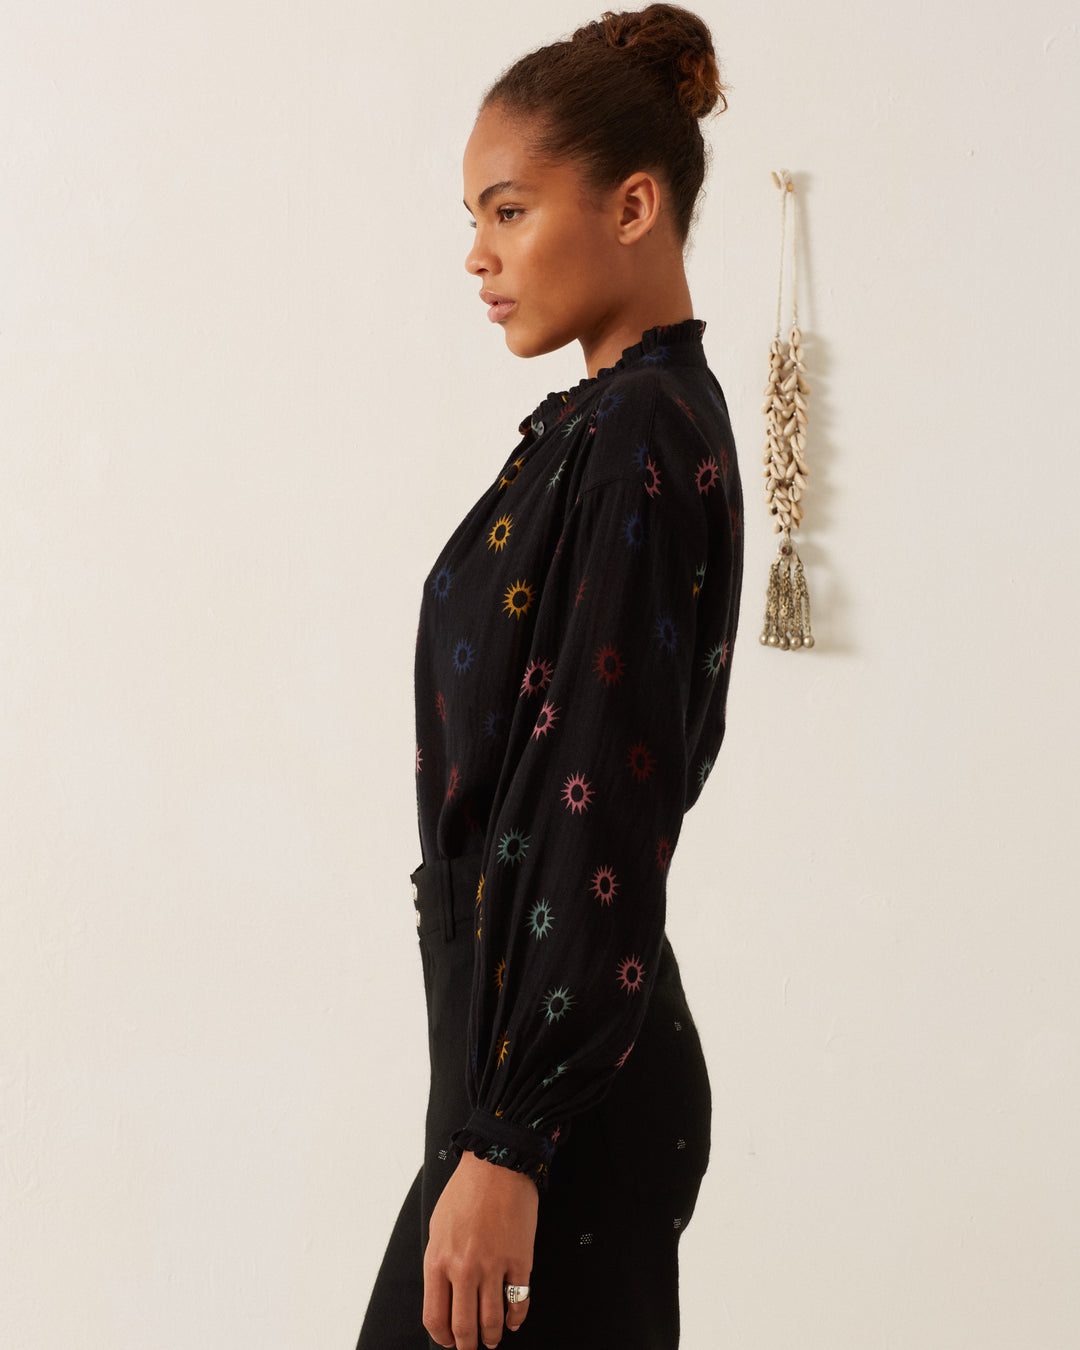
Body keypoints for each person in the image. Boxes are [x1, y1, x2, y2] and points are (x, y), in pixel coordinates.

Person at [356, 5, 743, 1348]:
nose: (479, 255)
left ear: (634, 204)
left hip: (558, 1086)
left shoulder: (637, 430)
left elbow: (592, 790)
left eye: (510, 211)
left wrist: (512, 1136)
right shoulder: (605, 426)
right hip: (529, 1046)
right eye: (477, 217)